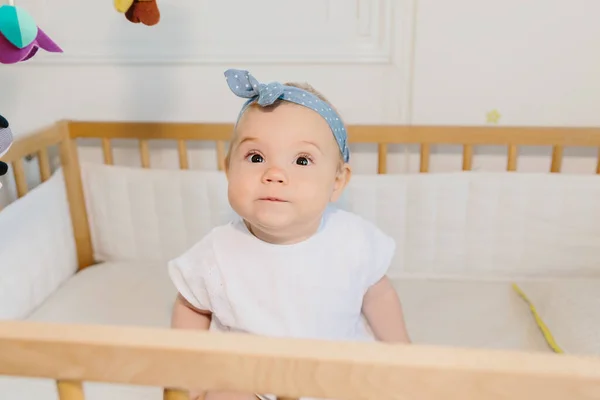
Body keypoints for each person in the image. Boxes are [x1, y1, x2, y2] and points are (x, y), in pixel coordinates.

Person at [167, 69, 411, 400]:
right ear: (228, 169)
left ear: (337, 182)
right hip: (245, 376)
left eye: (301, 159)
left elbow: (378, 294)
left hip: (334, 373)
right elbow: (192, 304)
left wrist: (402, 353)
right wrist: (187, 379)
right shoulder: (217, 251)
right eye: (256, 157)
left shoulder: (353, 238)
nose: (275, 174)